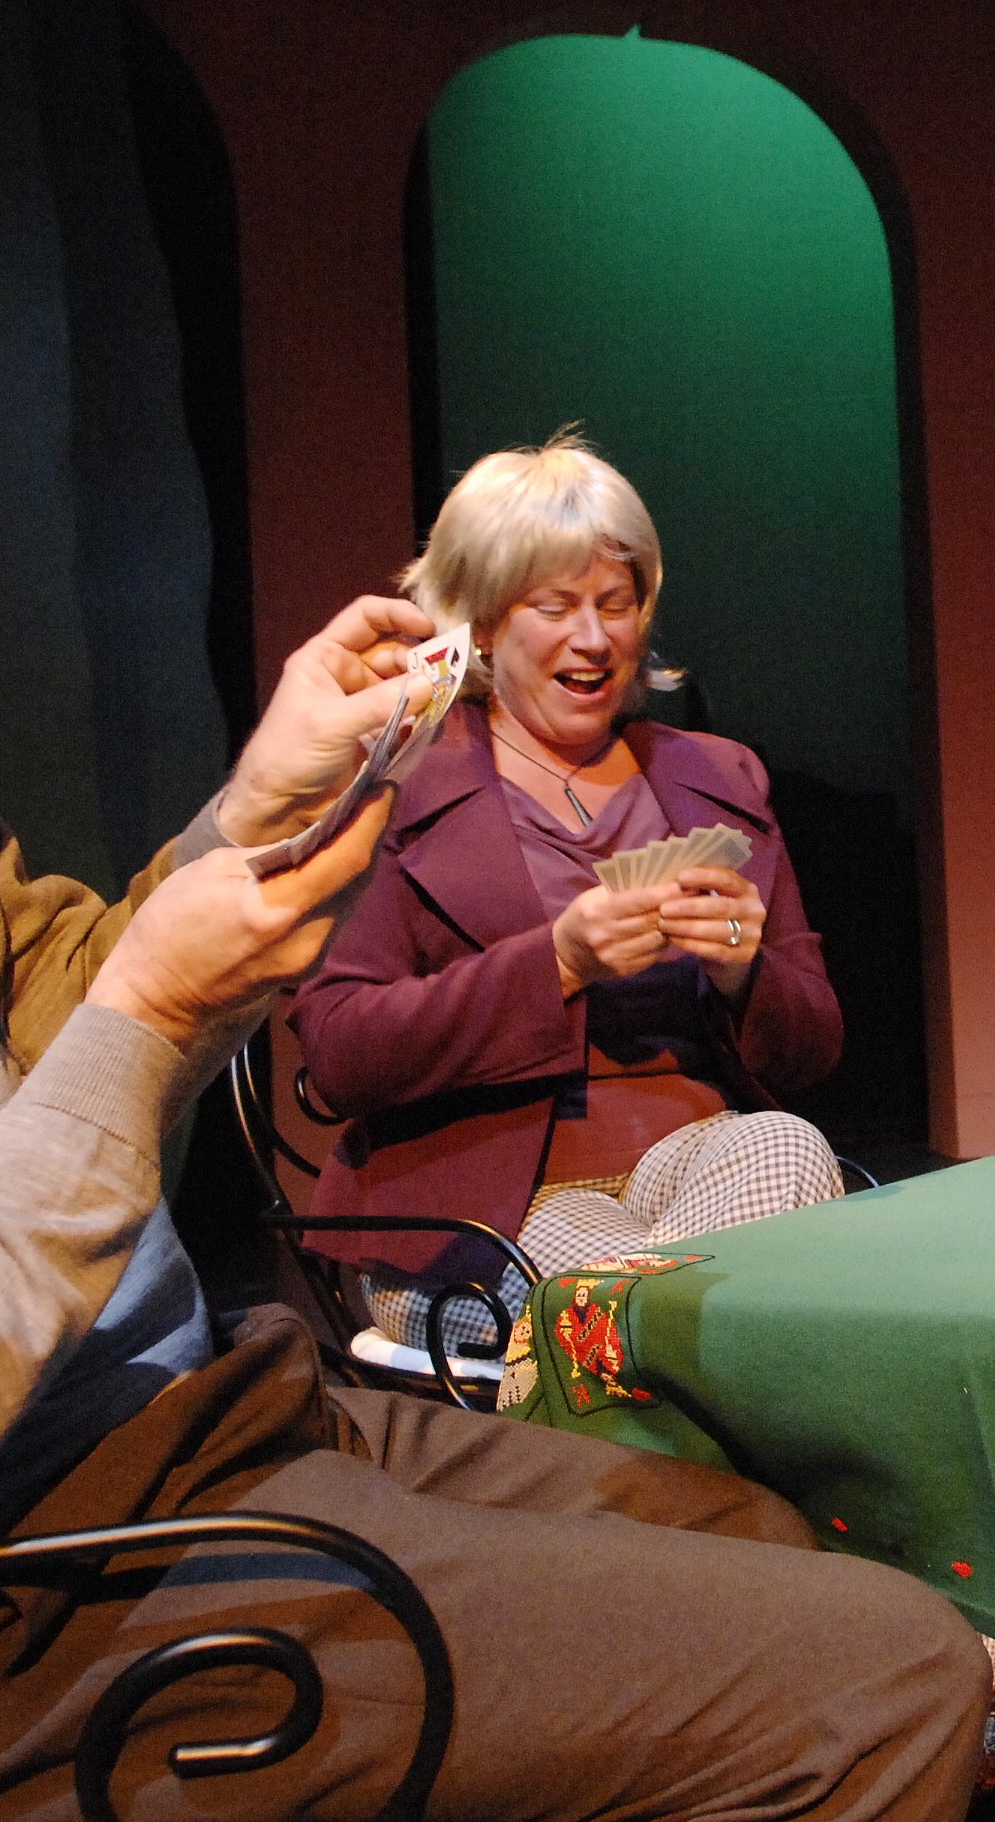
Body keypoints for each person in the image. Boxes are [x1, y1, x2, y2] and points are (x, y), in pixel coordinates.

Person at [0, 78, 981, 1822]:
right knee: (872, 1685)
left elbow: (43, 1000)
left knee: (774, 1528)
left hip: (154, 1448)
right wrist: (180, 996)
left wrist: (248, 817)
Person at [289, 435, 844, 1358]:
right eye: (557, 606)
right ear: (485, 622)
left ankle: (661, 1379)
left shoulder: (716, 778)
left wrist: (747, 973)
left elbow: (813, 1051)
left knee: (786, 1146)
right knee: (675, 1294)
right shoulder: (395, 786)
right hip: (484, 1210)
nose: (595, 639)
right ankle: (697, 1391)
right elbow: (342, 1054)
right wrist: (557, 962)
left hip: (691, 1168)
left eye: (616, 604)